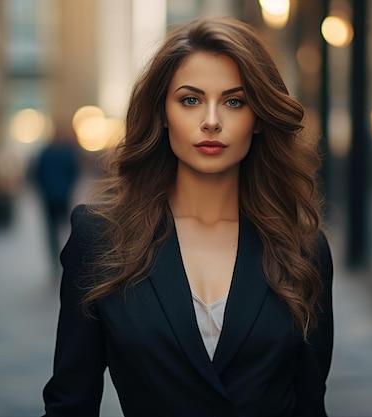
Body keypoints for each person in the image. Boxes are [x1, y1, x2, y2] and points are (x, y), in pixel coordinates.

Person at [42, 16, 333, 417]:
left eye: (234, 101)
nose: (211, 120)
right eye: (190, 100)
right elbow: (70, 405)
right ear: (162, 113)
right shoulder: (100, 238)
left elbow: (310, 405)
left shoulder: (302, 249)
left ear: (260, 118)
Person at [33, 130, 80, 270]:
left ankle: (56, 260)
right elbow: (74, 171)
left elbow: (37, 174)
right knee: (65, 228)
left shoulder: (46, 153)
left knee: (53, 231)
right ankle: (65, 258)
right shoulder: (67, 153)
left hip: (50, 197)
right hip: (61, 196)